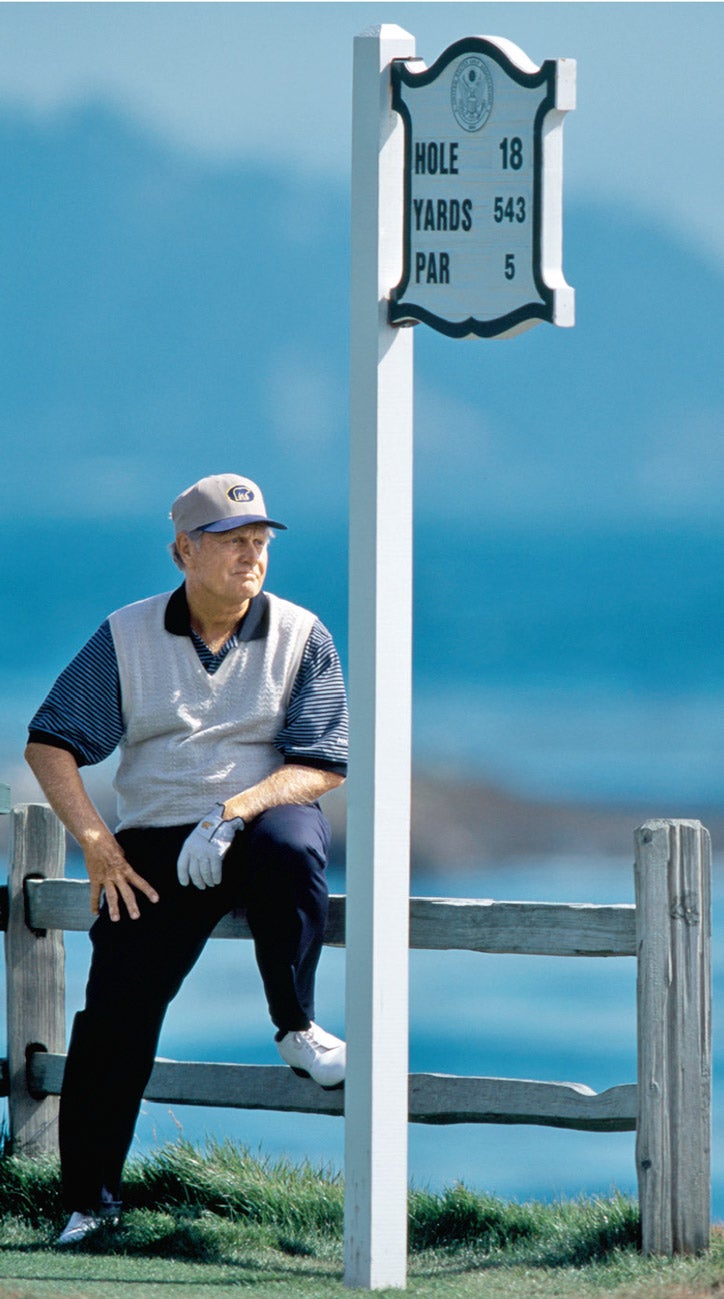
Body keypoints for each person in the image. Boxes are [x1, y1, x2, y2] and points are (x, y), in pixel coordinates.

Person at [24, 472, 348, 1247]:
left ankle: (296, 1023)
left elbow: (325, 761)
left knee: (296, 843)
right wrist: (97, 845)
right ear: (182, 550)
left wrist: (233, 811)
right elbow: (51, 743)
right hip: (154, 843)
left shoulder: (302, 633)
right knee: (115, 1021)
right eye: (232, 541)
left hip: (258, 821)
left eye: (259, 541)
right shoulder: (127, 635)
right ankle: (89, 1205)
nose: (251, 555)